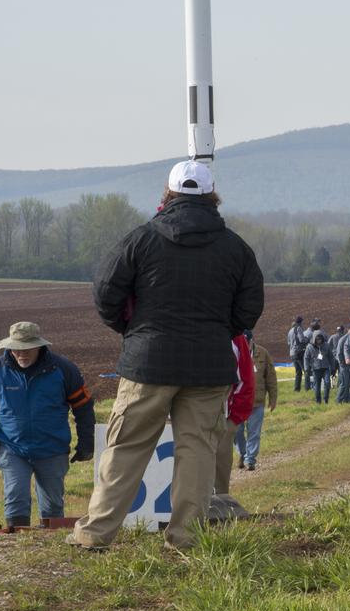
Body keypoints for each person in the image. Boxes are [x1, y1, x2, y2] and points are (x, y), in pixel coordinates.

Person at [70, 159, 264, 551]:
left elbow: (105, 292)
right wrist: (217, 332)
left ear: (168, 193)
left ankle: (95, 534)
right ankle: (186, 537)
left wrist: (133, 331)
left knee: (127, 446)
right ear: (212, 196)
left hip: (148, 362)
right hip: (209, 366)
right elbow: (249, 309)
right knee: (197, 450)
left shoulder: (140, 240)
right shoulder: (236, 248)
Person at [0, 321, 96, 530]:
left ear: (39, 346)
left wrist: (87, 443)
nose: (21, 354)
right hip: (12, 447)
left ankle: (48, 549)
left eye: (27, 349)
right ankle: (16, 546)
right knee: (16, 498)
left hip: (53, 448)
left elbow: (83, 406)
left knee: (53, 505)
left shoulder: (63, 369)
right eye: (16, 349)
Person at [214, 331, 255, 495]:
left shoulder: (235, 337)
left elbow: (246, 379)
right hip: (184, 416)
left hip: (223, 417)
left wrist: (233, 420)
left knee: (220, 469)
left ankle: (220, 508)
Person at [234, 330, 277, 471]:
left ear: (252, 340)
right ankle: (242, 453)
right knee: (236, 432)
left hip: (256, 401)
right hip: (238, 402)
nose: (245, 345)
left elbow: (270, 377)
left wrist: (273, 398)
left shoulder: (262, 354)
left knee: (254, 432)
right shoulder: (234, 351)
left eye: (247, 342)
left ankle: (250, 460)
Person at [305, 330, 335, 403]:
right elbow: (306, 358)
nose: (319, 340)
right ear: (314, 339)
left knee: (327, 383)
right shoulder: (309, 347)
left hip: (325, 368)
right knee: (317, 386)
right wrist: (307, 369)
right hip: (315, 369)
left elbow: (331, 357)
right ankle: (318, 400)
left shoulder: (326, 345)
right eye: (317, 339)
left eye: (320, 339)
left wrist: (333, 368)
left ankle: (326, 399)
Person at [286, 316, 307, 392]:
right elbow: (302, 340)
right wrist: (306, 339)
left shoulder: (290, 330)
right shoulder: (299, 329)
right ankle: (307, 388)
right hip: (298, 352)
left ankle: (296, 389)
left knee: (298, 372)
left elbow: (288, 343)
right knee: (306, 370)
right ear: (300, 322)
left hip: (292, 353)